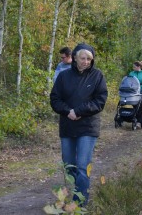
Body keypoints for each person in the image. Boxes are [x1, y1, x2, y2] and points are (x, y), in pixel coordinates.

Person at [50, 43, 108, 206]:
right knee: (69, 166)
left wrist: (79, 111)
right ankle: (79, 190)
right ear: (75, 58)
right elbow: (55, 99)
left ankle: (79, 204)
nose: (86, 61)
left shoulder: (97, 76)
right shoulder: (63, 77)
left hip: (88, 127)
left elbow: (100, 101)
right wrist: (68, 111)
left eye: (89, 59)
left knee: (82, 166)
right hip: (68, 126)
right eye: (83, 58)